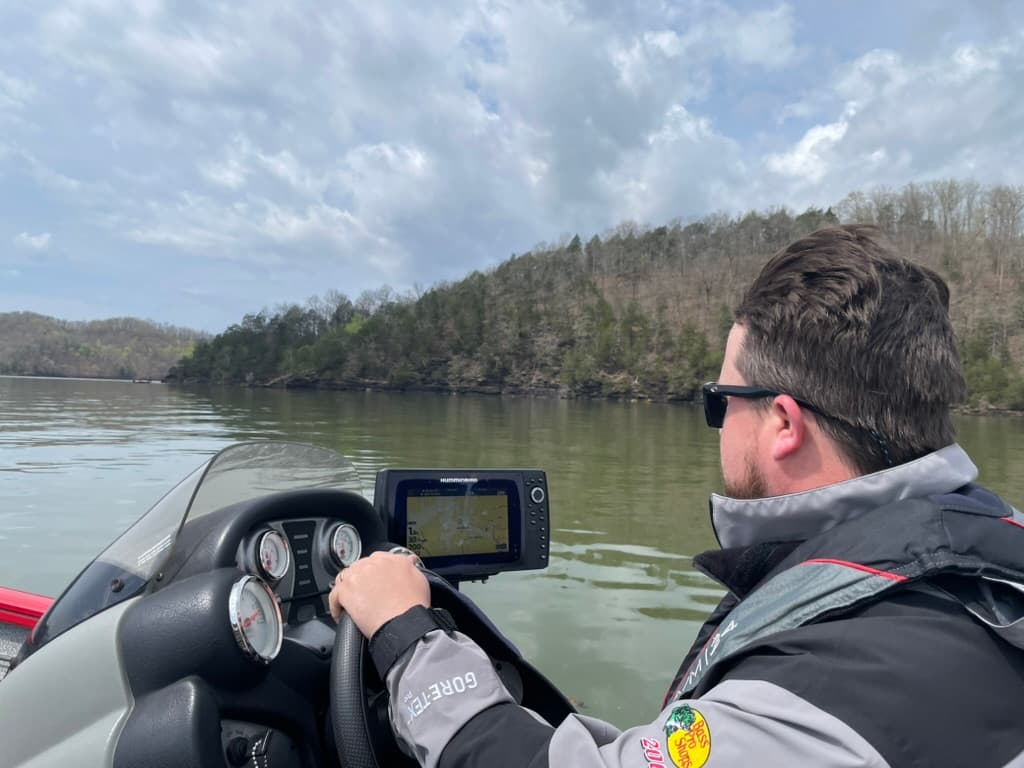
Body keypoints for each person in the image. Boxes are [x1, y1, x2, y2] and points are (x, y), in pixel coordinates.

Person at [331, 225, 1024, 767]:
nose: (718, 423)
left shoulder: (827, 684)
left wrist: (406, 636)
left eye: (719, 401)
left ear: (781, 422)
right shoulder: (985, 563)